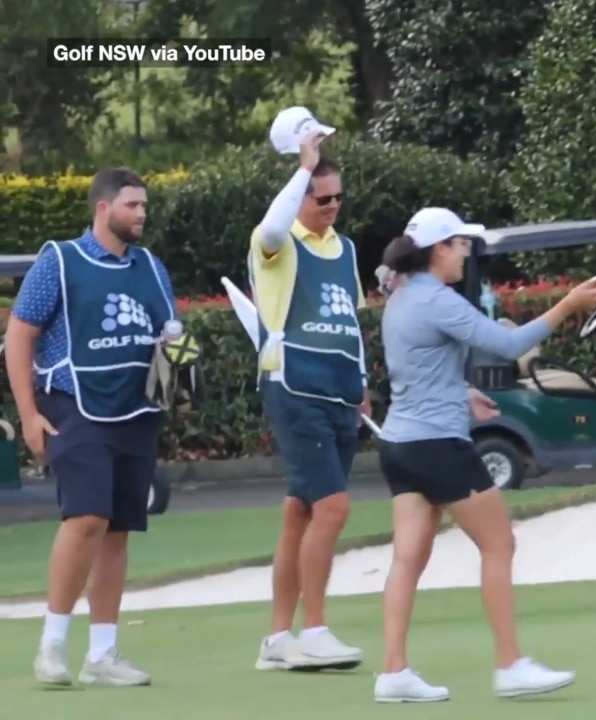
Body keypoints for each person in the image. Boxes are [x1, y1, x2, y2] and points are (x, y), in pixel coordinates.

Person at [370, 207, 596, 703]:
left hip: (401, 444)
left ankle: (393, 671)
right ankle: (510, 664)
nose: (466, 254)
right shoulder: (437, 300)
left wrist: (462, 392)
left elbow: (416, 365)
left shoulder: (401, 296)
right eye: (462, 245)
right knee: (499, 544)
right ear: (440, 248)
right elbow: (506, 344)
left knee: (407, 558)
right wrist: (566, 305)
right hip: (438, 445)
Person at [6, 167, 180, 688]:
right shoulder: (60, 260)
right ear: (103, 209)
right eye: (132, 205)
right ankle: (52, 646)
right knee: (85, 517)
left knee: (118, 530)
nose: (141, 214)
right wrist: (28, 412)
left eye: (144, 205)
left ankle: (102, 653)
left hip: (136, 411)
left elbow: (168, 337)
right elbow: (19, 337)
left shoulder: (151, 267)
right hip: (74, 405)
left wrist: (181, 366)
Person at [249, 112, 371, 672]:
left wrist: (364, 383)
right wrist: (301, 169)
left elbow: (352, 322)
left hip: (340, 392)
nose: (331, 207)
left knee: (300, 512)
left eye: (337, 199)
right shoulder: (277, 242)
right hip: (295, 386)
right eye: (321, 199)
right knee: (333, 507)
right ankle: (315, 630)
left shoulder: (344, 250)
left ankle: (278, 639)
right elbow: (273, 230)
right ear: (299, 196)